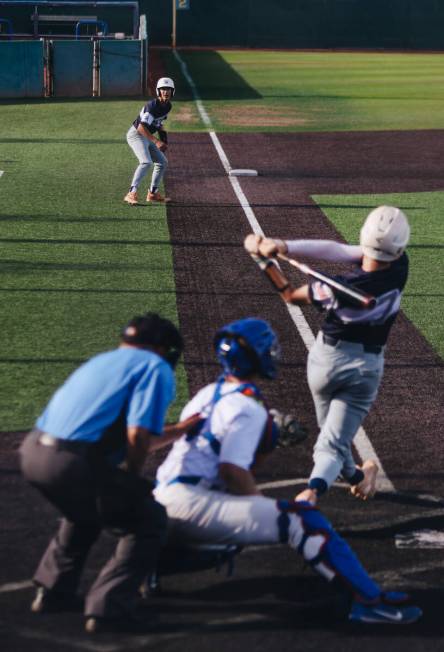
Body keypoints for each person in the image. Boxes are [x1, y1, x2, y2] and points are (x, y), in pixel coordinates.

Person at [153, 317, 421, 625]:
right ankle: (370, 602)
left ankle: (149, 567)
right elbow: (231, 471)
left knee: (230, 537)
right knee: (303, 521)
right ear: (256, 356)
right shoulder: (247, 408)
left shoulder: (206, 394)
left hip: (162, 501)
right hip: (191, 505)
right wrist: (259, 503)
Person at [20, 312, 196, 634]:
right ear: (160, 348)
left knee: (85, 510)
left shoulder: (102, 362)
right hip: (72, 461)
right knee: (147, 519)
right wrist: (131, 475)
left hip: (33, 452)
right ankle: (109, 608)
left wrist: (182, 429)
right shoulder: (153, 366)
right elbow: (138, 437)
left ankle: (51, 591)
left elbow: (134, 434)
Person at [244, 205, 410, 506]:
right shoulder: (400, 268)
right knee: (331, 444)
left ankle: (357, 479)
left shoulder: (331, 290)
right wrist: (282, 247)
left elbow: (291, 295)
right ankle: (311, 494)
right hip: (363, 370)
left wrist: (262, 259)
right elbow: (338, 251)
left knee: (332, 436)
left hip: (324, 362)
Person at [123, 77, 175, 206]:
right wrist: (157, 142)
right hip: (136, 135)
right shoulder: (152, 106)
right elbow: (141, 127)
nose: (166, 92)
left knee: (162, 162)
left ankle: (152, 193)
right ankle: (131, 192)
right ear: (158, 91)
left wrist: (164, 140)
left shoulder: (167, 106)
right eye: (163, 89)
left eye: (168, 89)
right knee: (146, 162)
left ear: (172, 91)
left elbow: (159, 124)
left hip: (146, 136)